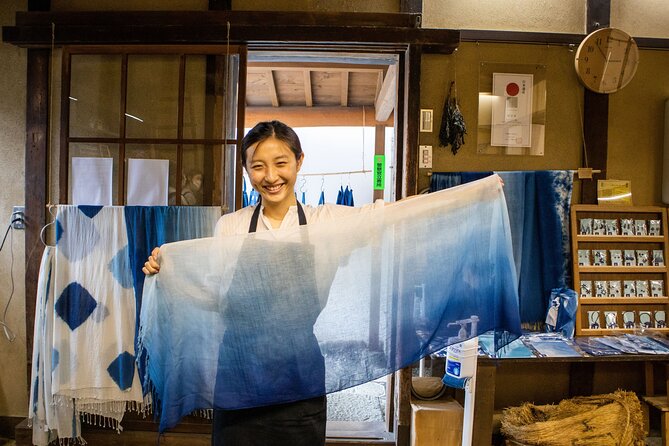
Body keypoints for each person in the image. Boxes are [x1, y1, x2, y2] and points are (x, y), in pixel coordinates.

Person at [142, 120, 384, 446]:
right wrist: (168, 271)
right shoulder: (230, 227)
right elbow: (212, 295)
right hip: (238, 373)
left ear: (299, 161)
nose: (270, 177)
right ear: (246, 170)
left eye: (281, 163)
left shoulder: (326, 223)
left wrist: (465, 201)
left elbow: (387, 217)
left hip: (299, 376)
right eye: (258, 167)